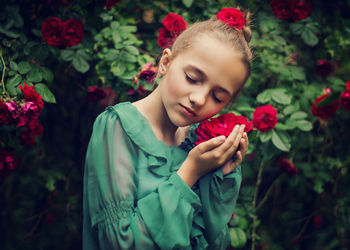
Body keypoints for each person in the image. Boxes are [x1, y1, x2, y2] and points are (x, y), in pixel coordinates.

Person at [83, 7, 253, 250]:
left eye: (217, 97)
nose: (199, 99)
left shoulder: (198, 142)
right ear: (165, 62)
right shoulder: (118, 127)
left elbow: (213, 241)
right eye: (192, 78)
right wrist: (189, 173)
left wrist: (219, 175)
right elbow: (119, 243)